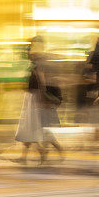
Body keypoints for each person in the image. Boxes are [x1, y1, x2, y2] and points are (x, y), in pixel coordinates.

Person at [14, 37, 62, 165]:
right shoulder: (34, 62)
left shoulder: (38, 63)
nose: (29, 52)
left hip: (35, 98)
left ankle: (44, 152)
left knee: (32, 128)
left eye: (31, 48)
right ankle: (27, 156)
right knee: (29, 128)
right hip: (31, 97)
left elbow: (42, 81)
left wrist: (42, 96)